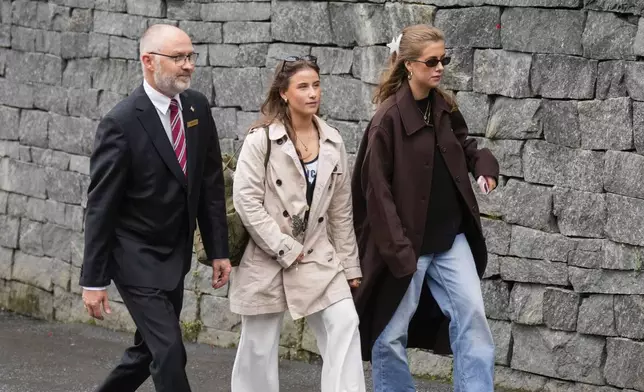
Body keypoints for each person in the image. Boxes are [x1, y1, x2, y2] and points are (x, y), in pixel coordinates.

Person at [79, 24, 231, 392]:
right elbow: (101, 205)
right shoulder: (122, 122)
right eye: (177, 57)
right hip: (134, 256)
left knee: (148, 351)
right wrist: (94, 280)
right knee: (168, 352)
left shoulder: (196, 107)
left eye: (190, 56)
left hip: (173, 255)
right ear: (148, 61)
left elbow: (209, 184)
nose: (188, 65)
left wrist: (218, 251)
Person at [351, 25, 500, 392]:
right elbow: (376, 193)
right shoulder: (386, 120)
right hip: (406, 247)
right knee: (389, 335)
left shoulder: (444, 107)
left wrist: (483, 164)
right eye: (432, 61)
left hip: (450, 240)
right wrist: (399, 252)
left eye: (444, 59)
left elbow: (465, 146)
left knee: (472, 320)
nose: (440, 67)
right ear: (408, 66)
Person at [228, 55, 366, 392]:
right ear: (284, 93)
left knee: (345, 322)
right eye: (303, 86)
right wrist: (283, 246)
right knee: (258, 346)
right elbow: (246, 201)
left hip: (317, 255)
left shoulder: (333, 140)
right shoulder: (261, 139)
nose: (312, 93)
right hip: (267, 256)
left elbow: (340, 212)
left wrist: (350, 266)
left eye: (316, 85)